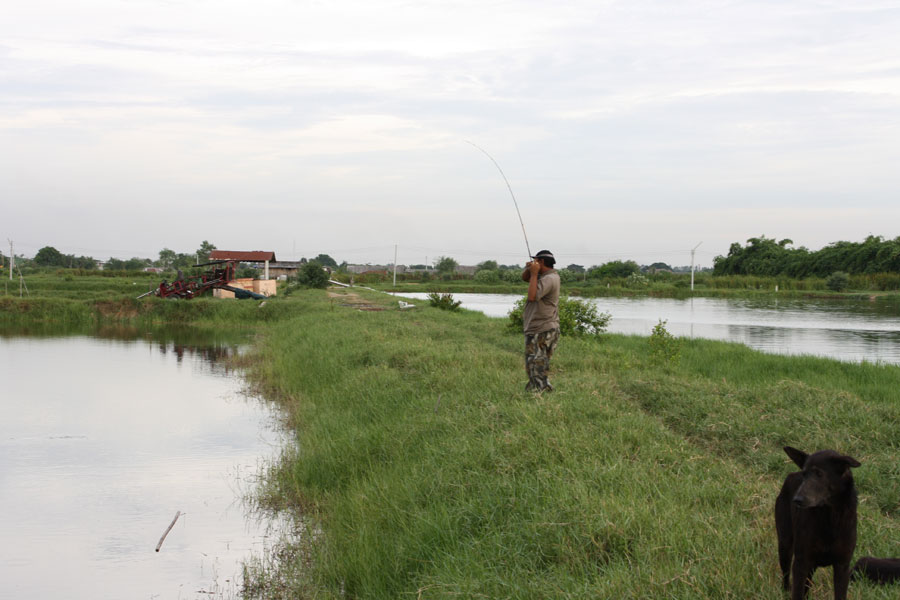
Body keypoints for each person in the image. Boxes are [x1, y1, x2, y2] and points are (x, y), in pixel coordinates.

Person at [521, 250, 561, 392]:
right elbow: (525, 279)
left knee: (536, 363)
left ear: (542, 262)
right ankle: (539, 389)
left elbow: (532, 296)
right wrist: (529, 270)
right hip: (542, 326)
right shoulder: (545, 276)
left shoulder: (549, 279)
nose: (534, 263)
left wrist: (533, 274)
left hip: (542, 328)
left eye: (536, 260)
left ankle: (540, 392)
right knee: (536, 362)